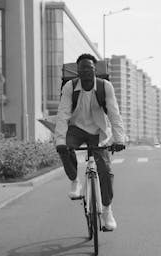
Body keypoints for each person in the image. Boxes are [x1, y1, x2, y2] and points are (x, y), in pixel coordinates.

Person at [55, 53, 125, 231]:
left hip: (98, 131)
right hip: (76, 129)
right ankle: (75, 182)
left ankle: (107, 211)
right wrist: (60, 141)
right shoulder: (70, 87)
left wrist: (119, 139)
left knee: (106, 170)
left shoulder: (105, 86)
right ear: (78, 71)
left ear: (95, 70)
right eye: (83, 68)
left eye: (90, 68)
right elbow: (63, 114)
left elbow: (114, 114)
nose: (86, 71)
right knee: (64, 148)